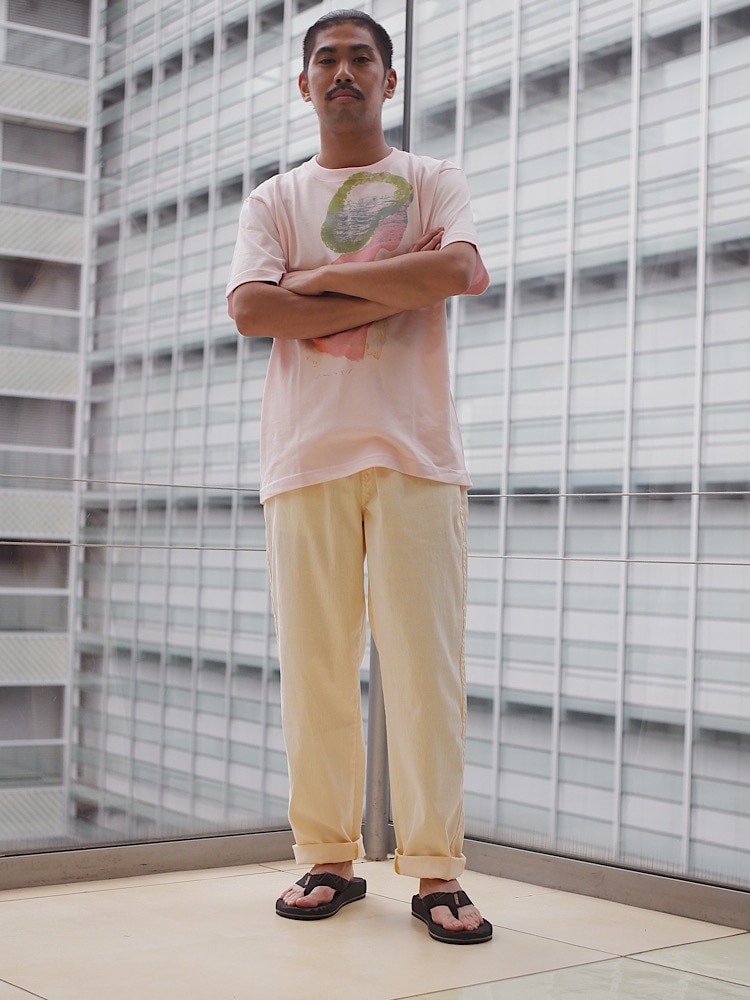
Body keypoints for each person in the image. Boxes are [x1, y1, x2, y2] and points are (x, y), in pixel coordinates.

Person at [227, 9, 492, 945]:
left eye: (362, 59)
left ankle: (436, 871)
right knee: (316, 670)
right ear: (305, 84)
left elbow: (458, 271)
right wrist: (396, 282)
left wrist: (308, 286)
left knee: (427, 671)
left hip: (418, 455)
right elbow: (251, 310)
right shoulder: (273, 199)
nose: (345, 72)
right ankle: (328, 858)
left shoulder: (432, 178)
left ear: (389, 79)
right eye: (328, 60)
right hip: (305, 458)